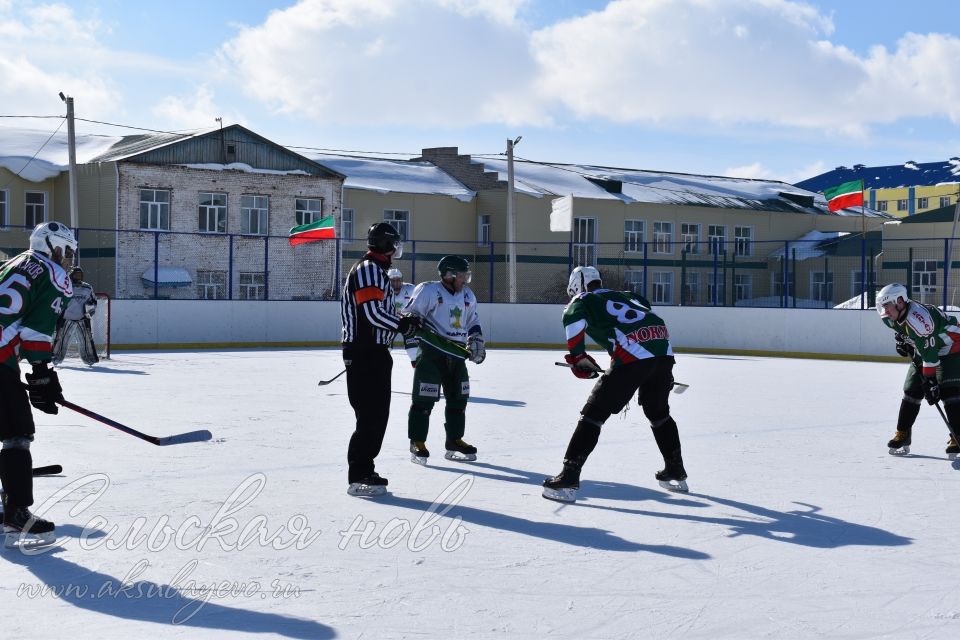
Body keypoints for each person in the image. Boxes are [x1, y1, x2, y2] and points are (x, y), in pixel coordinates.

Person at [542, 266, 688, 502]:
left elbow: (572, 319)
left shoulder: (581, 299)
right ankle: (676, 470)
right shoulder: (626, 295)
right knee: (658, 413)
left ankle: (569, 476)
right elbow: (643, 307)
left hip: (634, 357)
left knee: (592, 415)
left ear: (577, 286)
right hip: (663, 351)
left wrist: (577, 357)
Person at [0, 221, 76, 543]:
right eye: (66, 250)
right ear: (51, 246)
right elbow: (35, 332)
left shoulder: (12, 263)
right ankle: (16, 513)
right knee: (17, 433)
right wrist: (42, 373)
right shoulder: (52, 274)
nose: (69, 258)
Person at [341, 222, 421, 497]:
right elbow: (371, 314)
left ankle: (366, 469)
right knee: (369, 416)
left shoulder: (377, 271)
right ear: (386, 245)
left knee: (377, 416)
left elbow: (378, 314)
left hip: (374, 353)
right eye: (395, 244)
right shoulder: (368, 271)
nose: (396, 250)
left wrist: (403, 321)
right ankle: (359, 475)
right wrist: (402, 324)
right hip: (364, 353)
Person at [402, 255, 485, 465]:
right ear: (449, 275)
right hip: (431, 352)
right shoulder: (429, 290)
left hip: (457, 356)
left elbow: (473, 319)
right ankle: (417, 441)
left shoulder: (467, 295)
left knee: (459, 399)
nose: (466, 279)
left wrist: (476, 338)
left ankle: (454, 440)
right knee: (424, 401)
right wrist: (411, 321)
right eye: (462, 275)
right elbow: (410, 314)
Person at [877, 283, 960, 458]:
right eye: (883, 306)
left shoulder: (920, 322)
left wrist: (931, 382)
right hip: (926, 348)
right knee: (911, 390)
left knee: (948, 391)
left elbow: (930, 358)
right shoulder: (889, 316)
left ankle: (957, 435)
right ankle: (903, 433)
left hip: (952, 346)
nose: (885, 310)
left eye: (887, 305)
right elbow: (903, 333)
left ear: (900, 302)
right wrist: (902, 341)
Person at [52, 266, 99, 366]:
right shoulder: (64, 286)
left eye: (80, 275)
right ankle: (56, 358)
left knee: (87, 340)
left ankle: (89, 359)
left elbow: (93, 301)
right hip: (66, 318)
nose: (78, 277)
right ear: (71, 275)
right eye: (76, 274)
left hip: (82, 319)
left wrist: (90, 309)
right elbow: (57, 300)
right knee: (61, 339)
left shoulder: (87, 287)